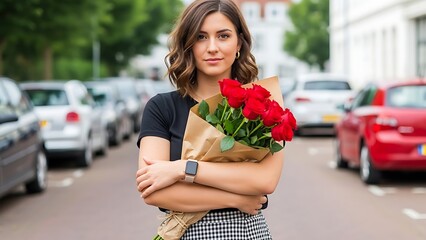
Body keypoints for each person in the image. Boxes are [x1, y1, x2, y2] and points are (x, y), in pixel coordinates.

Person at [136, 0, 284, 239]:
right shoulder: (162, 108)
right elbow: (153, 191)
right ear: (188, 46)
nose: (212, 47)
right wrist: (235, 198)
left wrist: (182, 169)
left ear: (239, 44)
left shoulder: (263, 107)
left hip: (246, 234)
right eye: (201, 37)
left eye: (223, 36)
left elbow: (265, 181)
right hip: (186, 233)